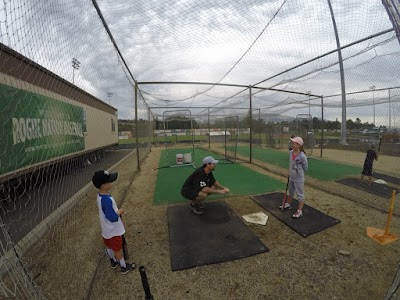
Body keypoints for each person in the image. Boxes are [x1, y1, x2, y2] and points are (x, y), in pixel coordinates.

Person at [92, 170, 135, 274]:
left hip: (106, 230)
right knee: (117, 249)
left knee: (108, 245)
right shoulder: (106, 200)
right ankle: (123, 267)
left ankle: (113, 262)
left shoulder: (100, 196)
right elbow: (112, 217)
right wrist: (120, 212)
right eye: (109, 181)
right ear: (103, 185)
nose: (111, 183)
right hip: (113, 230)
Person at [280, 136, 308, 218]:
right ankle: (288, 204)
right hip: (291, 177)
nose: (292, 144)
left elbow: (305, 167)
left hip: (299, 178)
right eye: (291, 143)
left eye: (293, 143)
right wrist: (290, 172)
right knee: (291, 191)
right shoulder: (291, 152)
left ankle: (299, 211)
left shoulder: (302, 156)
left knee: (300, 195)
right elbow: (291, 164)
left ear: (298, 145)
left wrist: (297, 171)